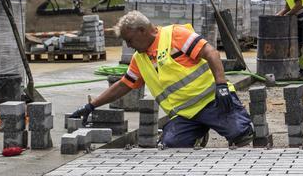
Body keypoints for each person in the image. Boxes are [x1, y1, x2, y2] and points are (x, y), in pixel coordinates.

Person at [69, 11, 254, 148]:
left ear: (142, 31)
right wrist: (91, 106)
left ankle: (238, 123)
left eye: (129, 39)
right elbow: (124, 84)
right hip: (185, 115)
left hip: (214, 101)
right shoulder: (139, 59)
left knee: (242, 134)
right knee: (171, 145)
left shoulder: (175, 35)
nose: (128, 45)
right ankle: (198, 134)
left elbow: (210, 53)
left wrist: (221, 85)